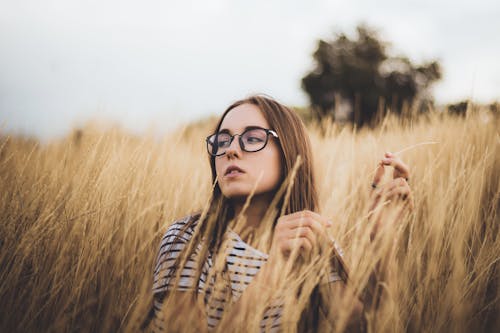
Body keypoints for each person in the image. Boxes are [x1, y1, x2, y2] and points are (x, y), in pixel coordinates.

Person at [149, 95, 412, 332]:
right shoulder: (187, 240)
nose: (230, 150)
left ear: (288, 151)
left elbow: (366, 327)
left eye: (252, 138)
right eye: (222, 140)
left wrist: (382, 240)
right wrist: (275, 265)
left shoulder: (308, 238)